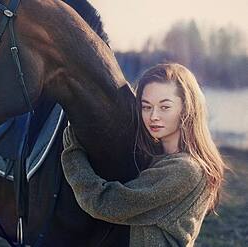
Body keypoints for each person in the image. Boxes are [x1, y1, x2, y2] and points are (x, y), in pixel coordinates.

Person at [61, 63, 227, 246]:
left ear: (187, 109)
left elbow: (105, 203)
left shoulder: (185, 169)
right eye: (146, 107)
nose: (153, 116)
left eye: (165, 107)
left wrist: (72, 151)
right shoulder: (162, 159)